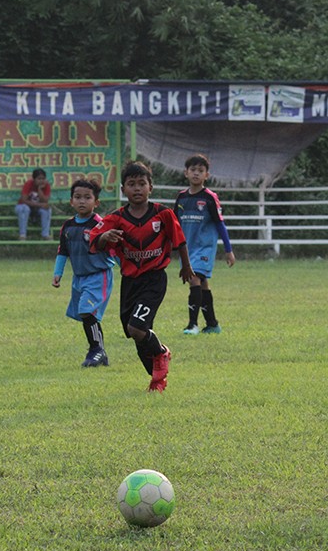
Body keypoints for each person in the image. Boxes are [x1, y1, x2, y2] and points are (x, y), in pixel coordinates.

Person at [90, 161, 194, 392]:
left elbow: (180, 241)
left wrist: (186, 266)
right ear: (123, 190)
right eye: (131, 184)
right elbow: (94, 238)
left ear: (151, 187)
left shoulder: (163, 214)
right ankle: (157, 380)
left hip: (154, 280)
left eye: (141, 184)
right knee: (134, 332)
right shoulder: (116, 218)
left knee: (137, 328)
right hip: (130, 282)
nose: (137, 188)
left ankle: (161, 353)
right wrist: (106, 236)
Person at [52, 179, 116, 368]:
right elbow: (63, 251)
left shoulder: (100, 224)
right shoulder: (68, 226)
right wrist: (58, 273)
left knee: (87, 311)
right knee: (86, 315)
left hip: (99, 275)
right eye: (78, 197)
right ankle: (99, 352)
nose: (82, 201)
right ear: (71, 201)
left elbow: (113, 249)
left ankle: (96, 350)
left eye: (87, 197)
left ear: (96, 202)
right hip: (79, 277)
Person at [173, 153, 236, 334]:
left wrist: (228, 250)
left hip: (204, 248)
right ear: (186, 173)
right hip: (187, 248)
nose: (196, 174)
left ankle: (192, 324)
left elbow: (220, 224)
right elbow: (174, 223)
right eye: (193, 170)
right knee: (202, 284)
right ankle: (213, 324)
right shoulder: (182, 197)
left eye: (200, 171)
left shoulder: (209, 197)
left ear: (206, 175)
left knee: (194, 278)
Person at [17, 168, 53, 240]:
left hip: (38, 208)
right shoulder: (28, 184)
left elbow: (45, 200)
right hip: (25, 206)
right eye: (39, 179)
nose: (41, 181)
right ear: (34, 179)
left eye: (43, 178)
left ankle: (45, 234)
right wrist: (40, 205)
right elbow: (24, 200)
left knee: (47, 210)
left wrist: (39, 189)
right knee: (24, 209)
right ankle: (22, 235)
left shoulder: (46, 185)